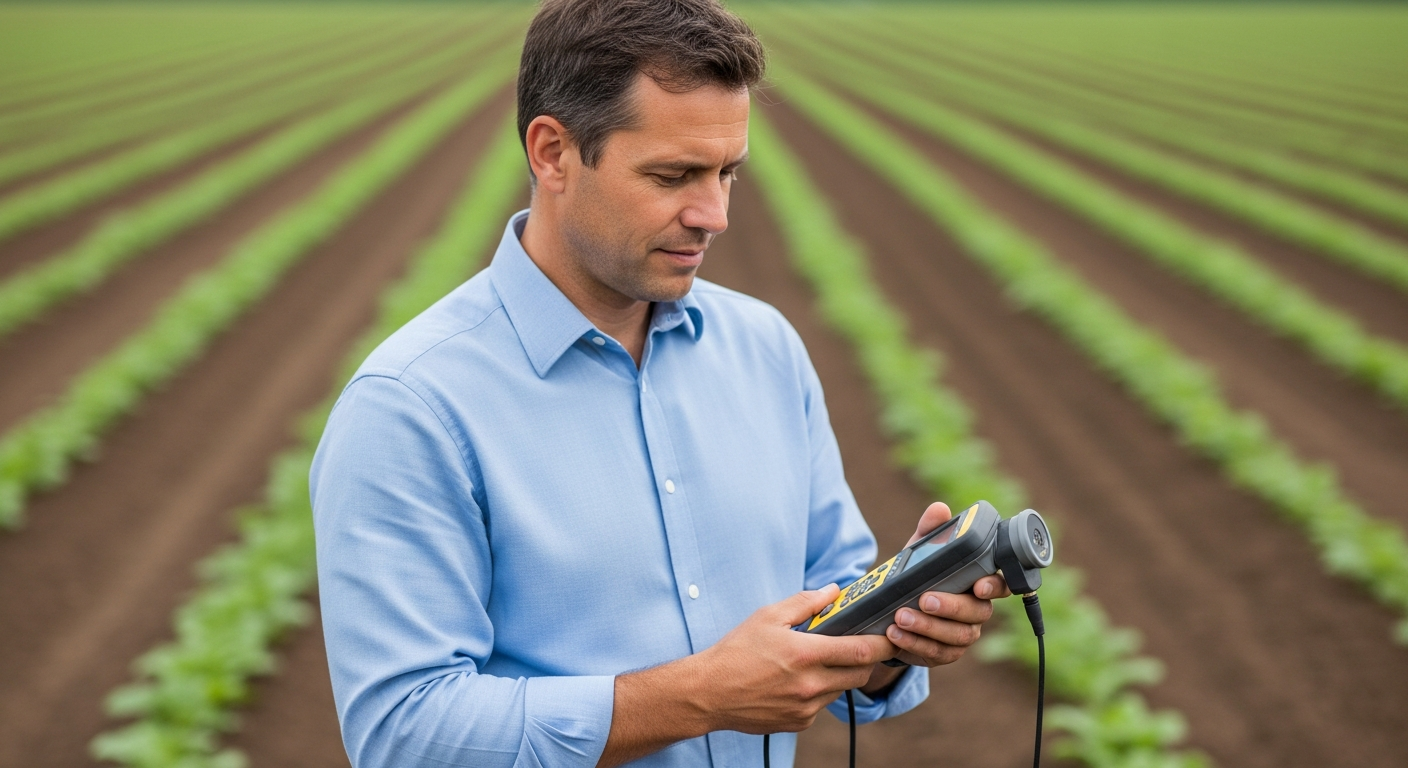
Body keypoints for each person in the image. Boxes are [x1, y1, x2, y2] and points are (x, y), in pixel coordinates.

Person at [310, 0, 1011, 766]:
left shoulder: (764, 349)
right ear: (552, 154)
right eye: (673, 175)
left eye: (726, 173)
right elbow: (404, 732)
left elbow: (825, 594)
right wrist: (702, 694)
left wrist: (894, 635)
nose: (713, 214)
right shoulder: (413, 406)